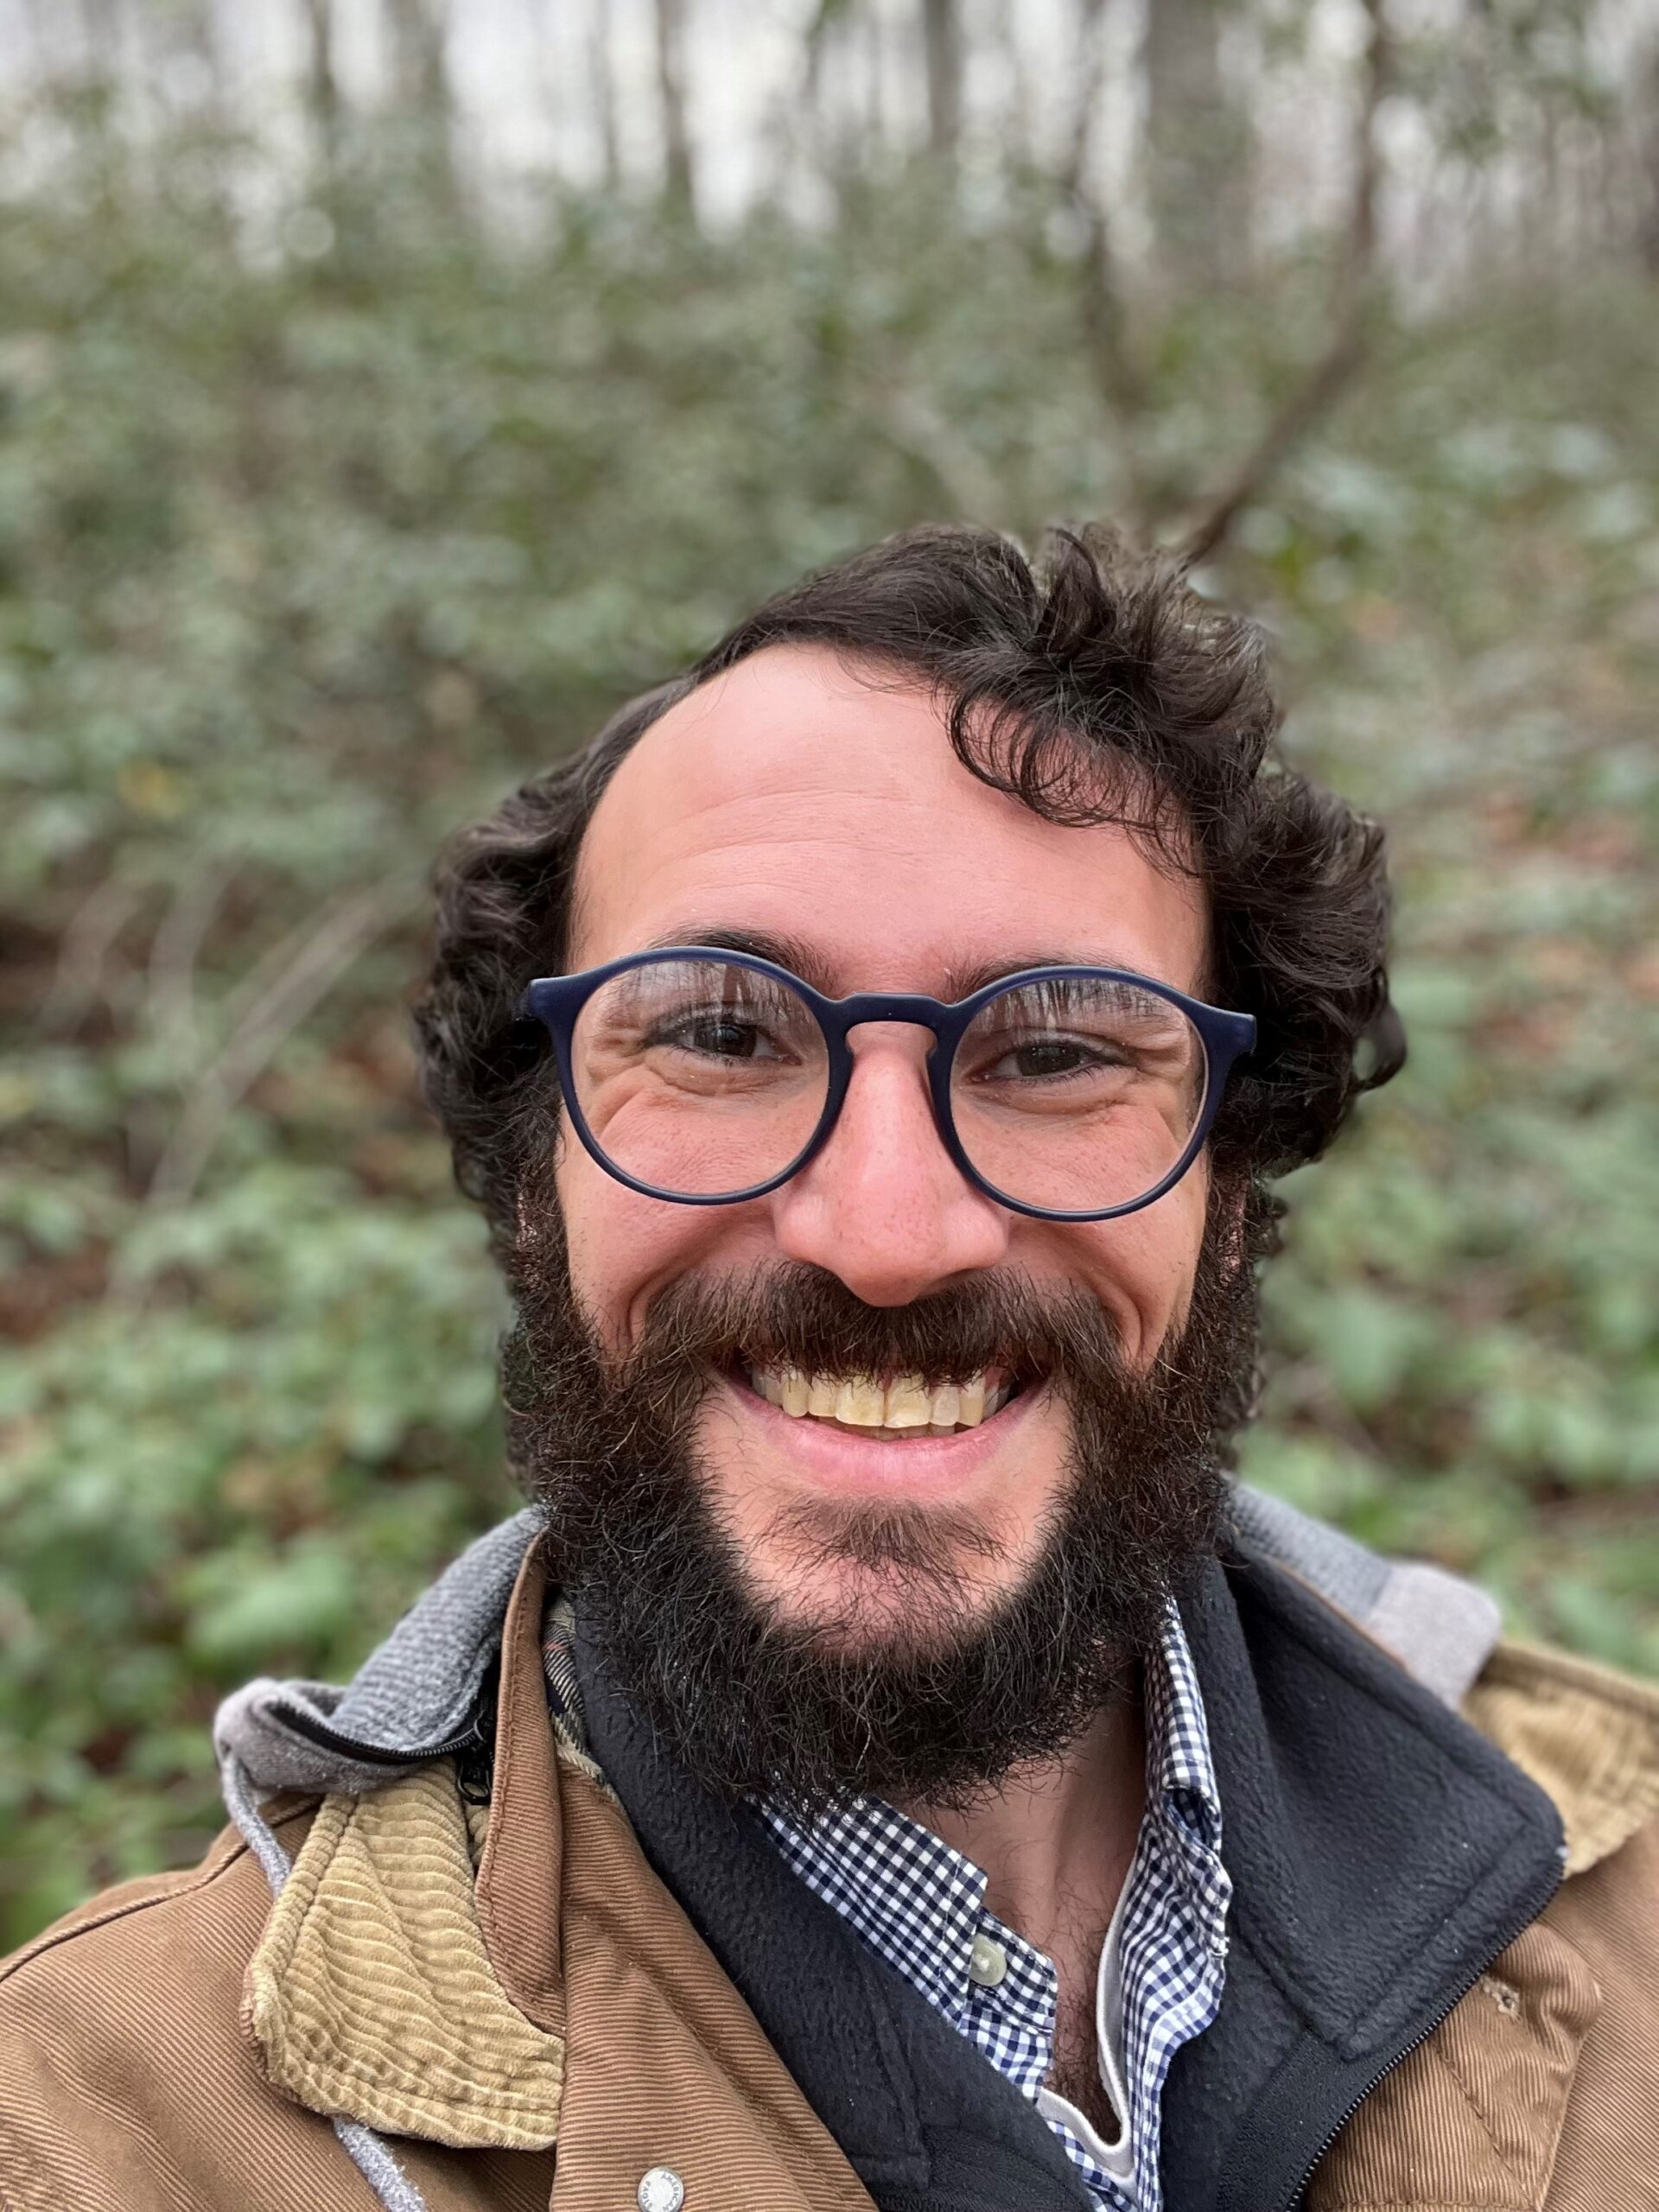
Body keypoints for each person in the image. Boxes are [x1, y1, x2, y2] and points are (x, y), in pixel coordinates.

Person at [2, 524, 1655, 2212]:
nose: (885, 1228)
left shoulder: (1634, 1885)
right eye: (720, 1031)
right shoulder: (102, 2133)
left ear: (1227, 1192)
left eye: (1062, 1047)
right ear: (530, 1176)